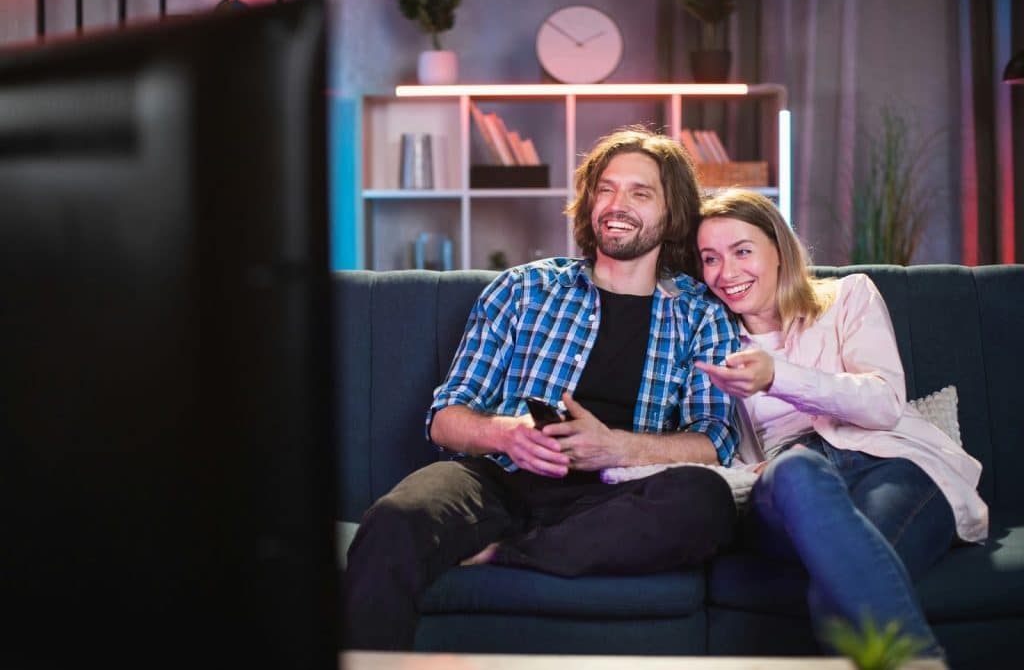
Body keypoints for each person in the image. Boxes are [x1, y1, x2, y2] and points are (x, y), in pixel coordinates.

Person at [343, 126, 742, 650]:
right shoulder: (524, 288)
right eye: (606, 188)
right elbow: (446, 416)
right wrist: (507, 433)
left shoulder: (700, 315)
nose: (616, 204)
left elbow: (714, 440)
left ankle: (508, 552)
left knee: (706, 501)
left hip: (615, 496)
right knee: (396, 520)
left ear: (672, 214)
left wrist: (617, 446)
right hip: (499, 479)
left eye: (640, 193)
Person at [693, 188, 988, 658]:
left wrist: (778, 377)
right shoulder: (708, 337)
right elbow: (710, 439)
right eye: (709, 258)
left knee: (849, 574)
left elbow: (884, 403)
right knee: (795, 470)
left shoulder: (848, 297)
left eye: (742, 251)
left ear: (778, 249)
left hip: (888, 462)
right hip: (792, 484)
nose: (725, 273)